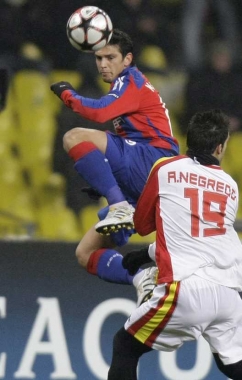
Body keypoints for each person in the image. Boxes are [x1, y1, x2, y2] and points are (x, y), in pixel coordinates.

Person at [108, 109, 242, 380]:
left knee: (125, 346)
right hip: (229, 294)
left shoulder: (166, 168)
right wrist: (147, 254)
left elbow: (143, 225)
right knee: (232, 365)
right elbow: (199, 238)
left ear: (188, 139)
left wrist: (145, 247)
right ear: (220, 147)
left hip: (188, 289)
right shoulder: (230, 186)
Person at [50, 29, 179, 287]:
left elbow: (99, 112)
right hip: (144, 179)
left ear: (127, 59)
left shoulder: (131, 79)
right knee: (84, 253)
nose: (103, 64)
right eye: (99, 58)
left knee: (74, 137)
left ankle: (119, 205)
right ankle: (143, 280)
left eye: (110, 57)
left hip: (154, 159)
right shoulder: (125, 86)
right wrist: (104, 179)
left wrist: (68, 94)